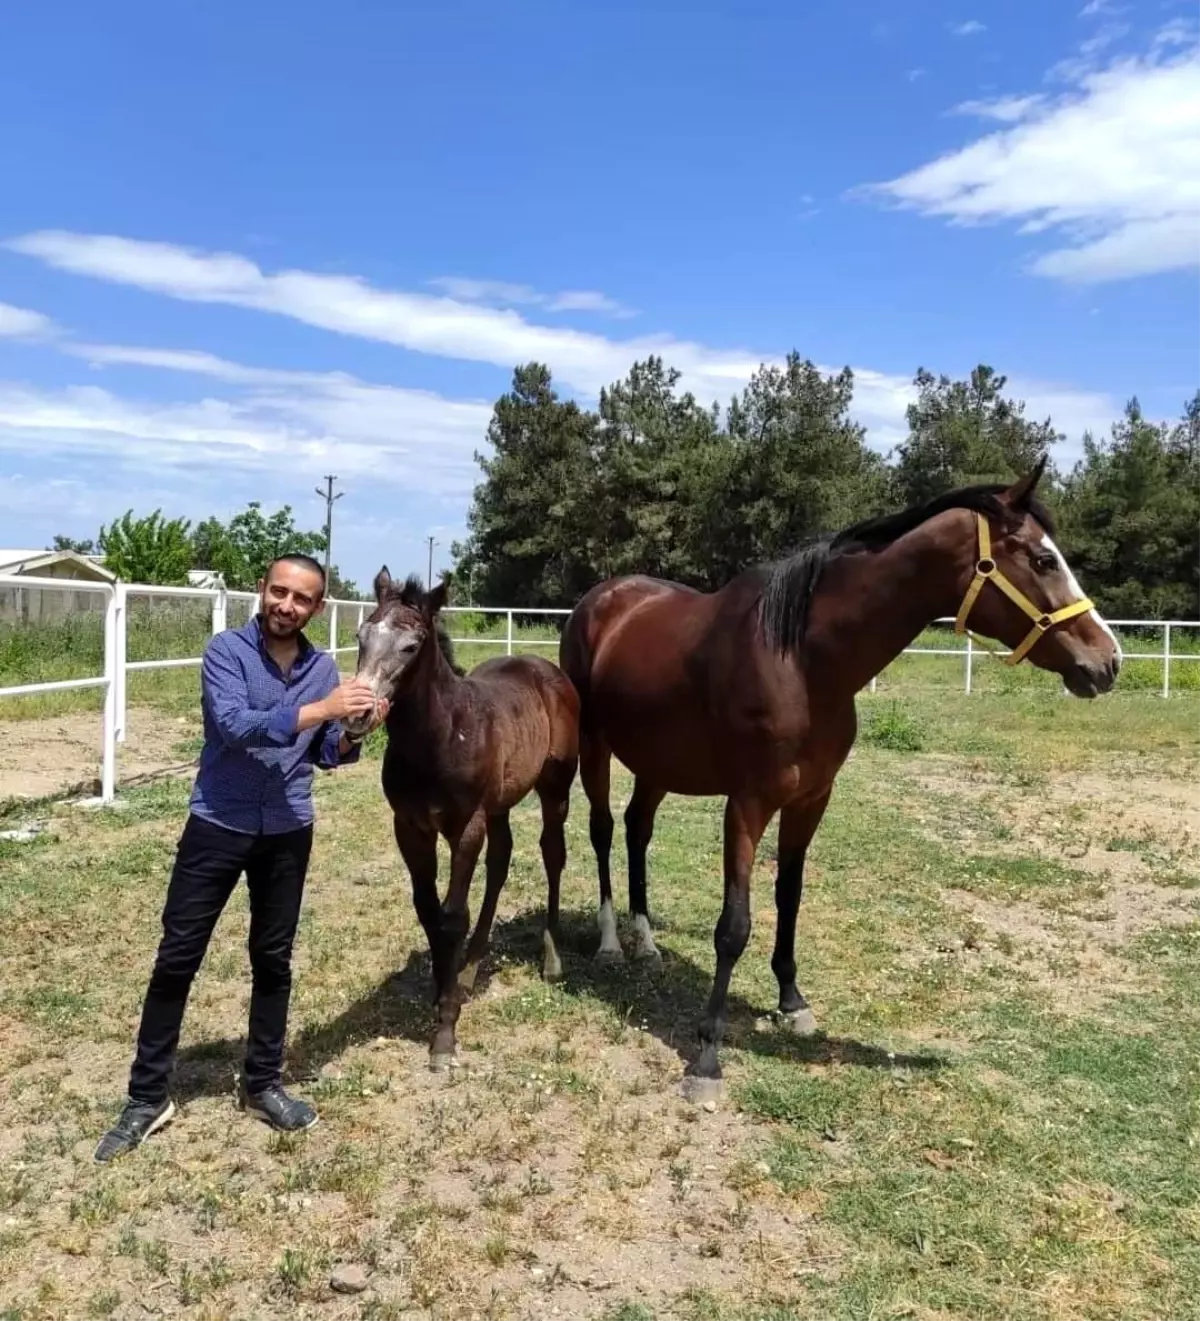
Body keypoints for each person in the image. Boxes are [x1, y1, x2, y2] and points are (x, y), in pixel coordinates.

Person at [94, 554, 387, 1163]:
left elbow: (327, 753)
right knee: (178, 956)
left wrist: (356, 728)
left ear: (318, 608)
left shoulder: (322, 668)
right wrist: (325, 709)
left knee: (273, 958)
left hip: (287, 828)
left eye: (301, 598)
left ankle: (262, 1084)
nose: (287, 605)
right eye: (279, 592)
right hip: (217, 824)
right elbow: (236, 726)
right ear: (263, 591)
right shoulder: (226, 652)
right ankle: (148, 1097)